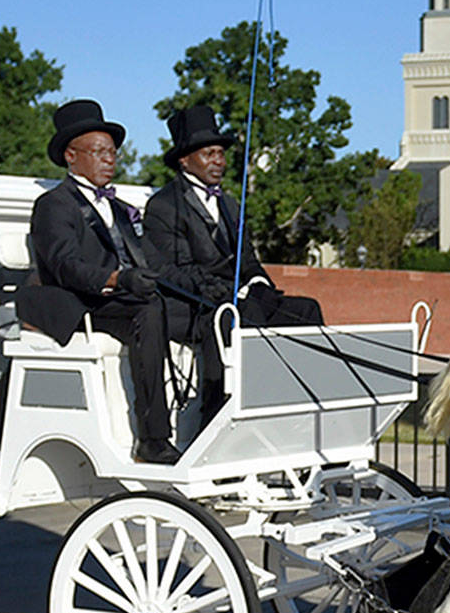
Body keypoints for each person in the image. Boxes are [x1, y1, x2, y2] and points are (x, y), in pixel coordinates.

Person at [21, 99, 180, 465]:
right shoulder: (54, 204)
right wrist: (117, 278)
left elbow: (154, 260)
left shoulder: (120, 207)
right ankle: (153, 438)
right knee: (148, 310)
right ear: (71, 156)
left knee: (200, 314)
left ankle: (207, 418)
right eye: (98, 152)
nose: (109, 159)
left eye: (112, 152)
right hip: (80, 302)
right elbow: (64, 265)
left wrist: (201, 289)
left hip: (122, 298)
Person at [144, 104, 325, 424]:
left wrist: (258, 284)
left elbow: (248, 259)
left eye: (221, 153)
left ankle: (304, 406)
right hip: (191, 304)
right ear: (185, 160)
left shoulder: (229, 203)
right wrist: (233, 293)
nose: (219, 161)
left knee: (306, 310)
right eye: (209, 154)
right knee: (245, 314)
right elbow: (175, 272)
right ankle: (219, 416)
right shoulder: (164, 205)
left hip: (235, 298)